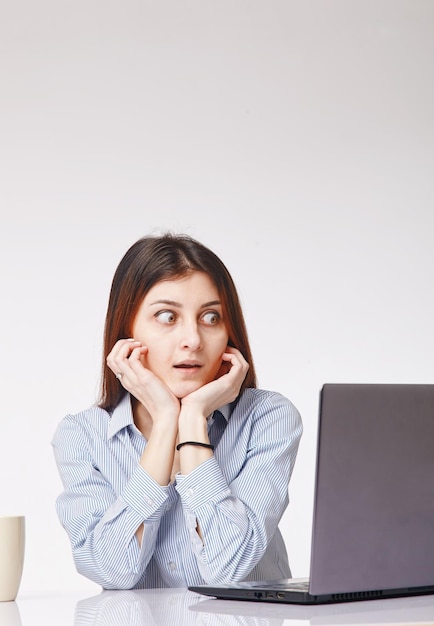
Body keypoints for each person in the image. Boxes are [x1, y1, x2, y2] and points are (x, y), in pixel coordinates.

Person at [52, 232, 303, 590]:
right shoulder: (82, 436)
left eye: (212, 317)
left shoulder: (268, 418)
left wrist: (192, 421)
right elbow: (111, 570)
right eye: (168, 316)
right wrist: (167, 420)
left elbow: (229, 566)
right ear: (127, 331)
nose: (194, 339)